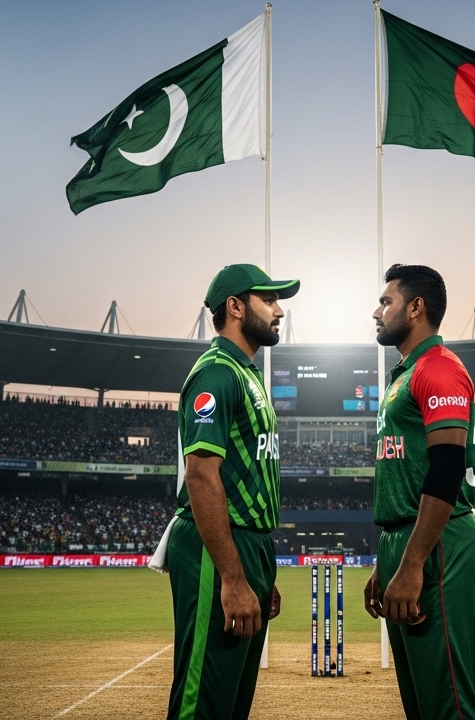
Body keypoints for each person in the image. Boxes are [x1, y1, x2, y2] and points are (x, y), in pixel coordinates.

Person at [165, 263, 299, 720]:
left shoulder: (246, 373)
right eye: (270, 300)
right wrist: (235, 578)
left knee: (230, 703)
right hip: (216, 550)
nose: (279, 311)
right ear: (236, 307)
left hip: (247, 546)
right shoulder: (217, 373)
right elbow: (201, 476)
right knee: (203, 703)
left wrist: (257, 573)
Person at [364, 263, 475, 720]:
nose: (377, 312)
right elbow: (406, 472)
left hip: (438, 544)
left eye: (386, 301)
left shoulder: (439, 368)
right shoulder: (405, 373)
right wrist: (388, 560)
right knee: (422, 705)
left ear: (415, 308)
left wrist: (412, 562)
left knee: (449, 704)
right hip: (407, 540)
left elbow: (446, 470)